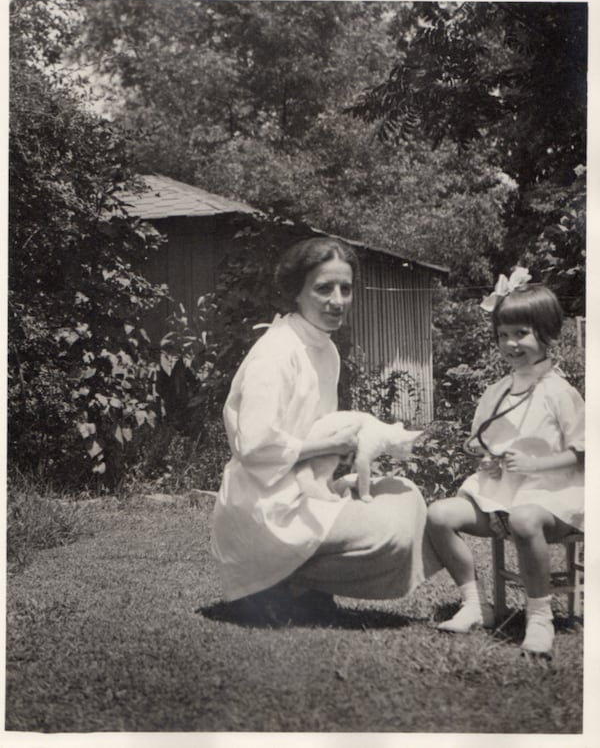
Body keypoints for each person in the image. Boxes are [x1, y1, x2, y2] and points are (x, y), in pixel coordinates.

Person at [210, 236, 440, 623]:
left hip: (299, 486)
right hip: (262, 505)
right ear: (295, 292)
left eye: (345, 289)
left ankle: (301, 588)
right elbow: (253, 445)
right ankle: (271, 585)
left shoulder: (325, 350)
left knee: (406, 496)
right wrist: (334, 443)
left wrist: (331, 470)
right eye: (323, 288)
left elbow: (316, 435)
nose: (337, 300)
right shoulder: (276, 352)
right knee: (390, 532)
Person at [427, 267, 584, 656]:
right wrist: (486, 459)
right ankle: (475, 604)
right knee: (439, 515)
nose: (511, 344)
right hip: (502, 493)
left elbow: (585, 452)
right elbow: (478, 440)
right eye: (503, 335)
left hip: (554, 496)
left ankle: (540, 617)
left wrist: (535, 466)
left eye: (521, 334)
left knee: (525, 518)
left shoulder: (559, 392)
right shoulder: (497, 391)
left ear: (546, 334)